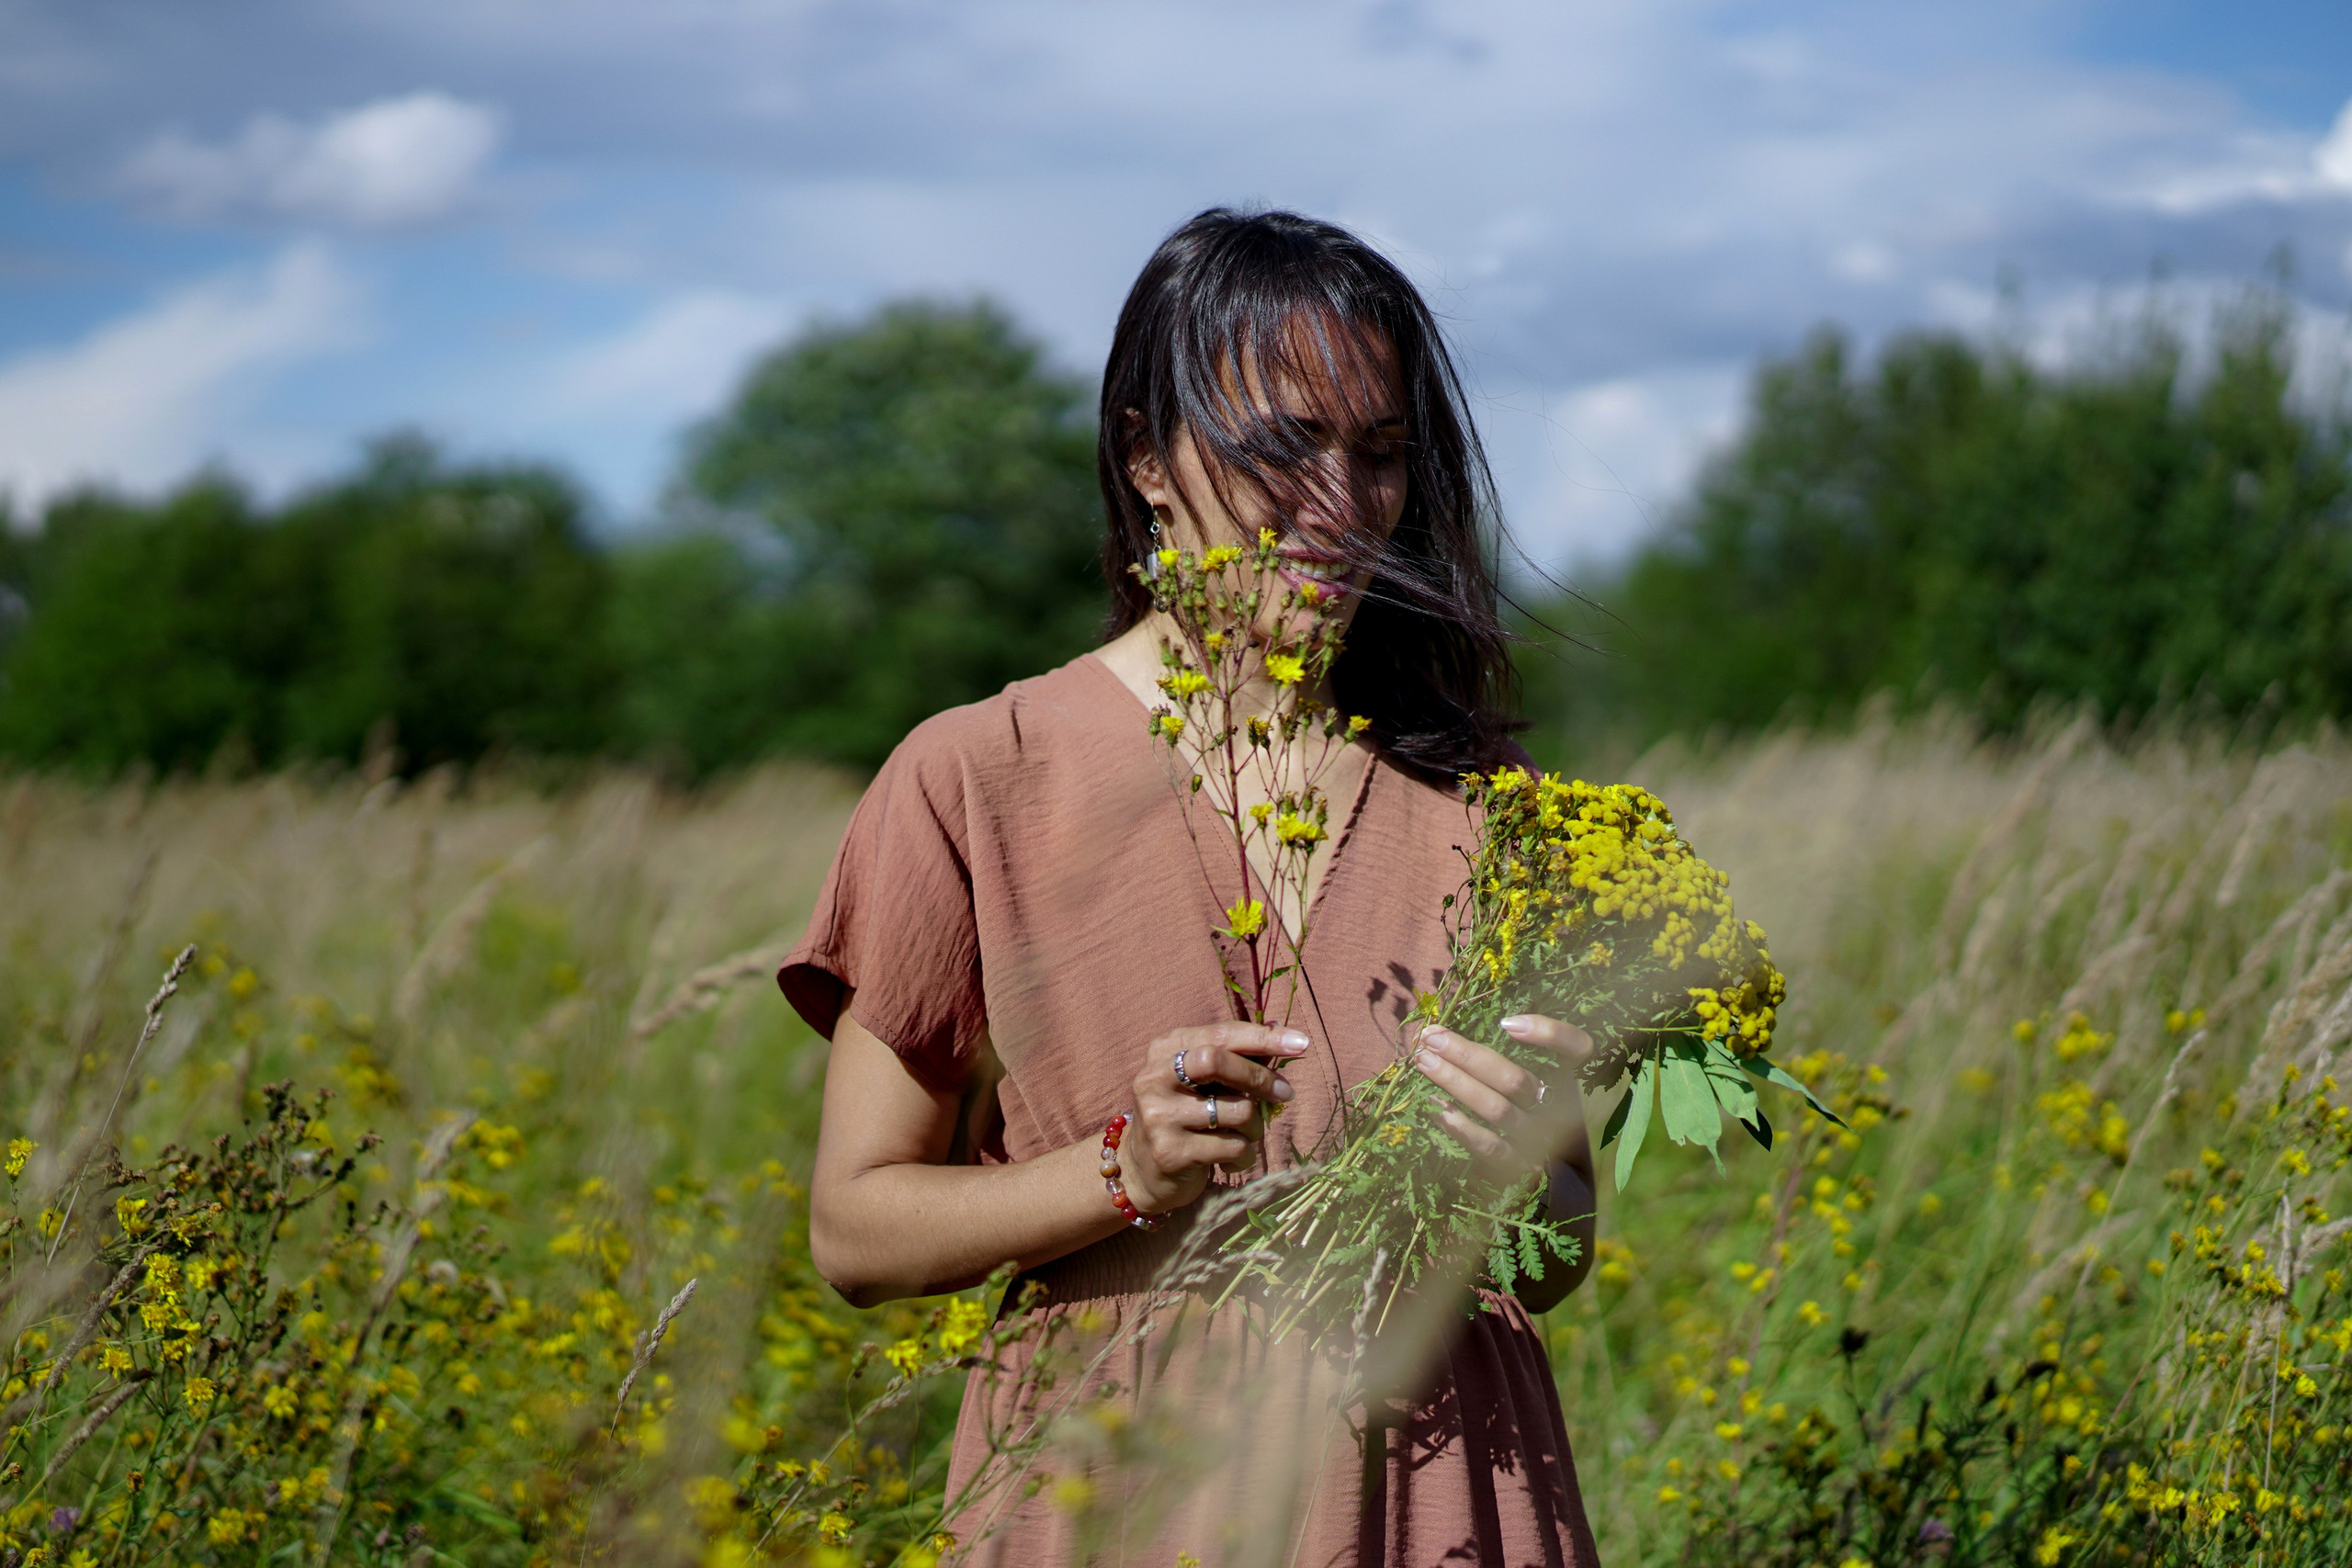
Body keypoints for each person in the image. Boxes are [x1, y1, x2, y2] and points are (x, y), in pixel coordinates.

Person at [782, 208, 1601, 1567]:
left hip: (1452, 1502)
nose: (1342, 505)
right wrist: (1121, 1171)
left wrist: (1529, 1179)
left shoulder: (1487, 804)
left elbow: (1559, 1255)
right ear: (1147, 459)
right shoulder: (977, 778)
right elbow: (856, 1231)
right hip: (1123, 1496)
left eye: (1381, 454)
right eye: (1284, 445)